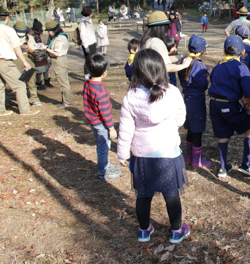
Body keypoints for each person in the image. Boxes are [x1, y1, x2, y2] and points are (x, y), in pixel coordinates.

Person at [117, 49, 190, 244]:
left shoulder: (130, 97)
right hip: (169, 152)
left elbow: (125, 130)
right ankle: (176, 231)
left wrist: (122, 155)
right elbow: (180, 119)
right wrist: (169, 128)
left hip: (142, 155)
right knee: (171, 194)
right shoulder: (173, 92)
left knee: (143, 195)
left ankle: (143, 231)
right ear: (161, 69)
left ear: (137, 71)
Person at [208, 36, 250, 178]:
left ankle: (223, 168)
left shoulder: (218, 66)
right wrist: (249, 107)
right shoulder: (241, 67)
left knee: (223, 135)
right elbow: (248, 92)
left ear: (224, 51)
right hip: (229, 106)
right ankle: (245, 165)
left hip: (215, 104)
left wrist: (242, 103)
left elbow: (228, 87)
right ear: (243, 52)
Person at [0, 11, 40, 117]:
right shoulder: (9, 30)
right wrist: (24, 62)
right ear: (6, 18)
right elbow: (16, 47)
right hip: (5, 61)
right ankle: (25, 109)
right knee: (19, 85)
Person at [83, 53, 121, 182]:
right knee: (104, 148)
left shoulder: (87, 84)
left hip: (93, 121)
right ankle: (102, 173)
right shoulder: (101, 93)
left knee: (101, 145)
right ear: (104, 73)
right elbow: (105, 113)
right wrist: (111, 128)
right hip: (101, 124)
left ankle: (106, 165)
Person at [179, 34, 211, 168]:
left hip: (186, 99)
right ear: (202, 50)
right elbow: (203, 85)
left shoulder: (183, 62)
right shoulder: (200, 66)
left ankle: (189, 155)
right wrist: (208, 76)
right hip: (197, 100)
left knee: (191, 128)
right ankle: (197, 160)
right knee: (197, 129)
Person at [44, 21, 73, 108]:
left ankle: (67, 101)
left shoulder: (59, 39)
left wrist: (45, 49)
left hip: (59, 60)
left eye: (50, 30)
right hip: (59, 60)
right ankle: (65, 100)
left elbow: (56, 53)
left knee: (63, 82)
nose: (49, 33)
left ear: (55, 30)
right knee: (63, 81)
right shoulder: (59, 37)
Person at [13, 21, 41, 107]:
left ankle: (34, 99)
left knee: (31, 80)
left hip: (28, 58)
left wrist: (28, 47)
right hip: (16, 59)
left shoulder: (29, 37)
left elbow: (33, 50)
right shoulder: (12, 37)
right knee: (19, 80)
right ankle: (22, 100)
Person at [30, 19, 52, 90]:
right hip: (37, 54)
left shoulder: (37, 34)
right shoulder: (32, 35)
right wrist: (38, 46)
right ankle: (39, 83)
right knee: (39, 69)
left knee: (46, 65)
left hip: (42, 53)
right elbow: (32, 45)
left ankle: (46, 80)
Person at [77, 8, 97, 80]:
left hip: (92, 42)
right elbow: (82, 35)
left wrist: (95, 40)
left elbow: (91, 32)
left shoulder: (89, 20)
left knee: (93, 59)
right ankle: (86, 75)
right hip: (87, 44)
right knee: (88, 60)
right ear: (89, 14)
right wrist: (85, 46)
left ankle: (93, 73)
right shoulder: (82, 23)